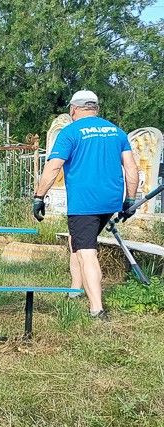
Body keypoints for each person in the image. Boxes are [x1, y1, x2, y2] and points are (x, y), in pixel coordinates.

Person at [32, 90, 139, 321]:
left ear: (73, 109)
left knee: (86, 252)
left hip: (85, 202)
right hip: (110, 201)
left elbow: (53, 167)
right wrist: (130, 200)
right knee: (78, 240)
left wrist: (39, 196)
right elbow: (131, 167)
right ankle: (75, 289)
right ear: (95, 108)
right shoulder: (116, 131)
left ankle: (97, 309)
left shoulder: (70, 132)